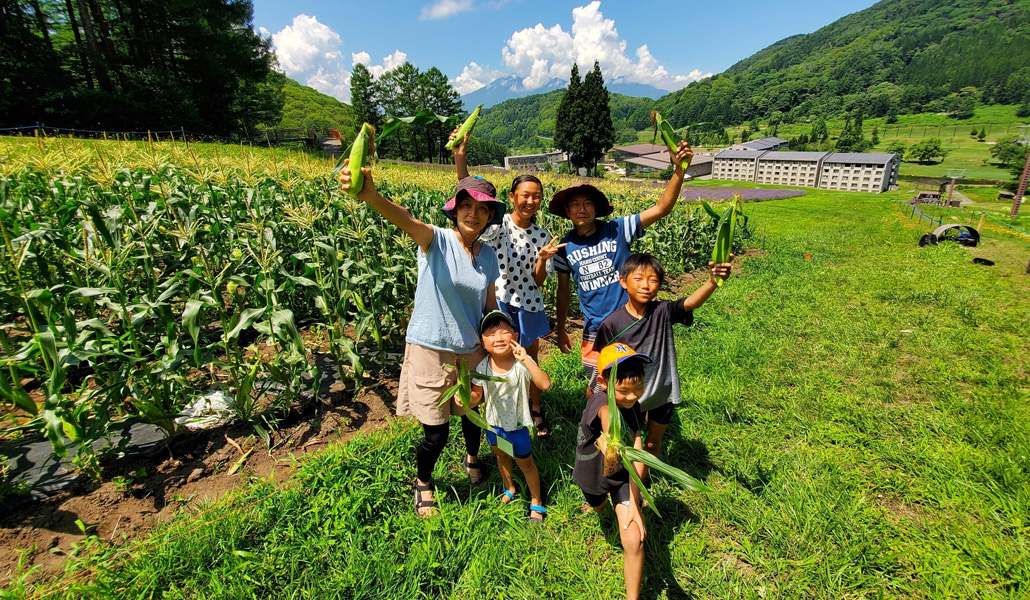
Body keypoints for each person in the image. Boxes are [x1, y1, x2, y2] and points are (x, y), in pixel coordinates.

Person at [339, 158, 504, 517]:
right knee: (436, 433)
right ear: (455, 208)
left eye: (481, 209)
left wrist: (500, 336)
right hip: (431, 348)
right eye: (466, 205)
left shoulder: (488, 255)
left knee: (472, 415)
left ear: (490, 216)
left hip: (472, 351)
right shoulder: (436, 240)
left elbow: (489, 306)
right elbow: (406, 219)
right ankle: (424, 482)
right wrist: (370, 194)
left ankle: (472, 457)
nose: (473, 214)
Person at [550, 140, 694, 396]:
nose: (581, 209)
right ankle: (597, 427)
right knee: (598, 386)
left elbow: (662, 208)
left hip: (633, 323)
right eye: (575, 204)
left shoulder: (617, 229)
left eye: (587, 203)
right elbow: (563, 292)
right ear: (567, 211)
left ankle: (636, 428)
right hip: (596, 328)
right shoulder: (564, 246)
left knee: (635, 384)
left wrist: (679, 170)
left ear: (596, 208)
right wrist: (561, 330)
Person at [452, 127, 563, 437]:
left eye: (536, 196)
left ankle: (535, 408)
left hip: (529, 305)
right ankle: (497, 408)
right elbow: (471, 196)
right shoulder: (497, 224)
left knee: (529, 356)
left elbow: (539, 282)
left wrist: (542, 257)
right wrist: (460, 157)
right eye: (525, 195)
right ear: (512, 197)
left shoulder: (543, 235)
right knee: (495, 358)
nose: (531, 200)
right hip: (500, 302)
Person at [593, 253, 733, 473]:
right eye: (638, 279)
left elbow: (690, 303)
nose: (646, 286)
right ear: (623, 281)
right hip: (629, 397)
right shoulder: (612, 323)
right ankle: (634, 489)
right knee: (631, 446)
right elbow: (603, 361)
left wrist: (712, 282)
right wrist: (596, 395)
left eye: (654, 280)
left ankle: (646, 478)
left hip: (660, 393)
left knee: (652, 444)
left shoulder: (663, 311)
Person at [573, 342, 652, 600]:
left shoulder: (635, 407)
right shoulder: (598, 402)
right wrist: (609, 434)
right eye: (623, 390)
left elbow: (638, 452)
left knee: (634, 538)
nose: (631, 397)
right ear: (603, 382)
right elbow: (606, 414)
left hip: (621, 479)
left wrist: (635, 505)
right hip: (593, 476)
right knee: (596, 504)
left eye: (638, 388)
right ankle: (597, 507)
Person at [470, 310, 551, 522]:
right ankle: (510, 488)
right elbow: (476, 397)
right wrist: (463, 398)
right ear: (482, 342)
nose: (498, 338)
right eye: (491, 333)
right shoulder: (482, 367)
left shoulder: (521, 364)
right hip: (493, 427)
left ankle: (536, 501)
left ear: (515, 337)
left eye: (504, 332)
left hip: (517, 429)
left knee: (526, 465)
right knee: (502, 457)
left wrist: (527, 360)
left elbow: (544, 384)